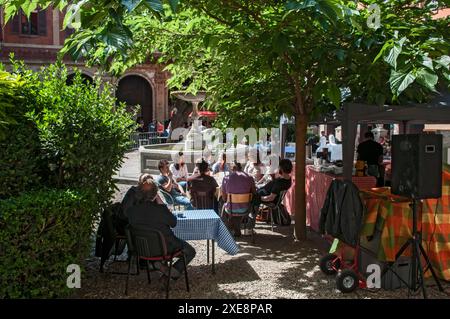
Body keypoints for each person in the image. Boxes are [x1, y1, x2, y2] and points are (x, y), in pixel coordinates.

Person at [126, 179, 196, 280]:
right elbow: (173, 223)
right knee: (190, 251)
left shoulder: (131, 211)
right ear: (155, 194)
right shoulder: (161, 210)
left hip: (142, 249)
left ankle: (156, 264)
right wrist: (161, 203)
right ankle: (171, 273)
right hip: (165, 248)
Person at [222, 161, 256, 236]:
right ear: (241, 168)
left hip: (231, 209)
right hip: (246, 208)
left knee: (223, 204)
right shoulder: (249, 177)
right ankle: (243, 228)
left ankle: (227, 229)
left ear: (232, 168)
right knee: (252, 205)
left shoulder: (226, 178)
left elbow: (224, 197)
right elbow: (254, 192)